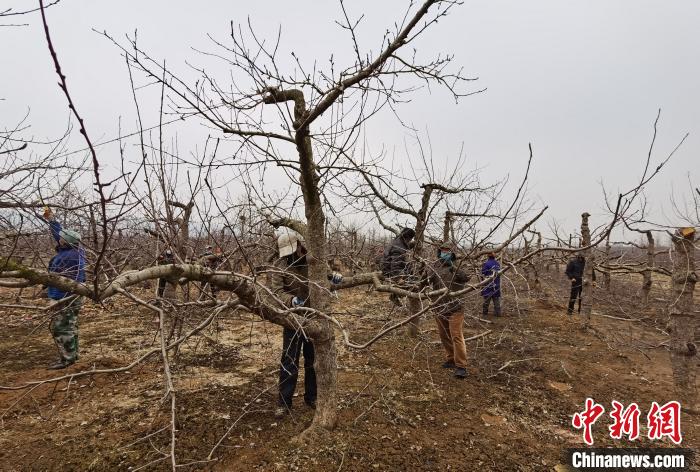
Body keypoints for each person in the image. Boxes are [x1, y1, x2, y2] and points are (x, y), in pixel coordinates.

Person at [270, 231, 343, 418]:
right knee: (289, 361)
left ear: (300, 245)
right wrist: (291, 300)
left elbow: (325, 279)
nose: (290, 255)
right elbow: (277, 292)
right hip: (293, 320)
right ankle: (284, 403)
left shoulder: (314, 260)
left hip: (314, 317)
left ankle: (312, 397)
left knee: (313, 360)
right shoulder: (280, 265)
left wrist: (333, 277)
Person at [44, 207, 86, 370]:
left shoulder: (69, 257)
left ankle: (68, 359)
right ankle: (73, 355)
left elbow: (56, 277)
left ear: (65, 242)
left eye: (61, 238)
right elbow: (59, 233)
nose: (59, 238)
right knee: (71, 323)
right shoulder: (76, 249)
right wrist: (51, 219)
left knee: (62, 326)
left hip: (65, 296)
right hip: (71, 295)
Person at [427, 242, 470, 379]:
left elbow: (466, 278)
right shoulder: (435, 266)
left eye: (448, 251)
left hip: (456, 307)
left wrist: (454, 269)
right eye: (443, 250)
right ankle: (451, 358)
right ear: (440, 252)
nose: (445, 253)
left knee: (456, 335)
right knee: (444, 335)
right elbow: (426, 280)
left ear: (452, 253)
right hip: (439, 307)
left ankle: (461, 366)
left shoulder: (458, 266)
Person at [381, 227, 416, 306]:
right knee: (412, 281)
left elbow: (405, 247)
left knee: (411, 271)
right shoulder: (399, 247)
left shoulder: (398, 242)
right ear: (407, 238)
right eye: (411, 239)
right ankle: (395, 295)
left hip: (388, 266)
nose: (411, 241)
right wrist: (398, 277)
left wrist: (413, 244)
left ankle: (396, 295)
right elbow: (395, 263)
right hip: (390, 269)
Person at [481, 252, 502, 317]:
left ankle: (485, 314)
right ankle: (498, 313)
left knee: (486, 300)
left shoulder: (486, 264)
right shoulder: (497, 264)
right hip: (496, 284)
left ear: (488, 257)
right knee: (496, 300)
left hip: (488, 284)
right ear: (494, 257)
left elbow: (483, 273)